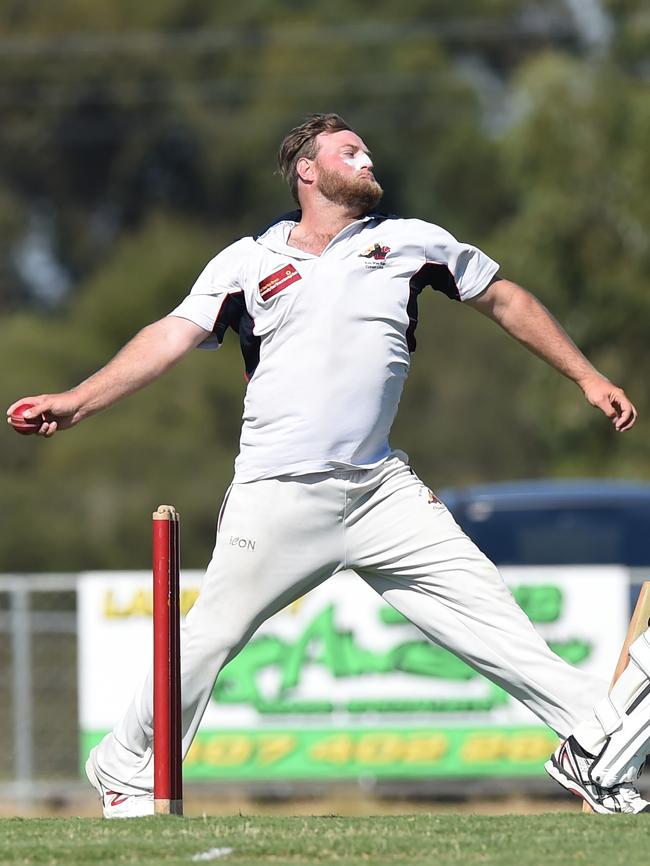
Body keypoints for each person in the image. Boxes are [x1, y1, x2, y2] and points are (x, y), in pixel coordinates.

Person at [8, 113, 649, 817]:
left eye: (368, 148)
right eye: (350, 150)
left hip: (381, 491)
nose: (368, 157)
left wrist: (586, 377)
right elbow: (169, 337)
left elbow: (505, 298)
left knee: (494, 618)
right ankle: (125, 766)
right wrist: (78, 401)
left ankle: (599, 746)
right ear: (306, 171)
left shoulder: (410, 241)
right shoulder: (247, 261)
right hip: (277, 495)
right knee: (209, 639)